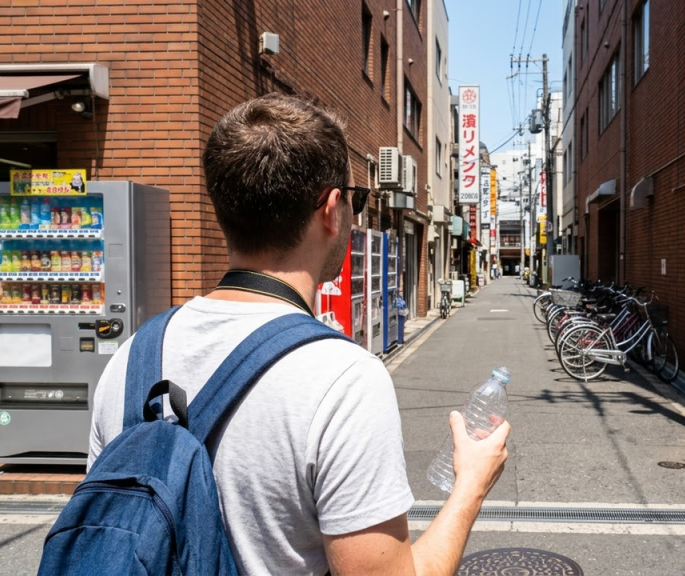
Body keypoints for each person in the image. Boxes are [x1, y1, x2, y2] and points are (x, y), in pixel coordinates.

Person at [88, 93, 511, 576]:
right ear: (332, 208)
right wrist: (471, 486)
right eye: (356, 198)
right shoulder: (343, 379)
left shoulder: (130, 359)